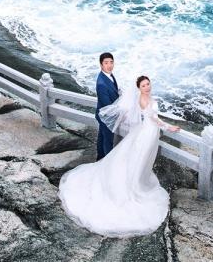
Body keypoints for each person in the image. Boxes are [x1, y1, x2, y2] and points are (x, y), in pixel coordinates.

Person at [59, 75, 180, 237]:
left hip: (148, 132)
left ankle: (138, 179)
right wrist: (169, 127)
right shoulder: (144, 100)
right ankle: (134, 186)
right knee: (140, 159)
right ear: (139, 88)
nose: (147, 87)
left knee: (140, 159)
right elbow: (154, 118)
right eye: (144, 85)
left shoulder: (147, 97)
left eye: (148, 84)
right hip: (147, 133)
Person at [95, 52, 119, 160]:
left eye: (111, 62)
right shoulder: (101, 84)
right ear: (101, 65)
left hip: (102, 113)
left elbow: (113, 91)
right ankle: (107, 164)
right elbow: (108, 106)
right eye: (106, 63)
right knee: (108, 141)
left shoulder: (109, 75)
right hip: (106, 116)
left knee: (101, 137)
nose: (109, 65)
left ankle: (99, 158)